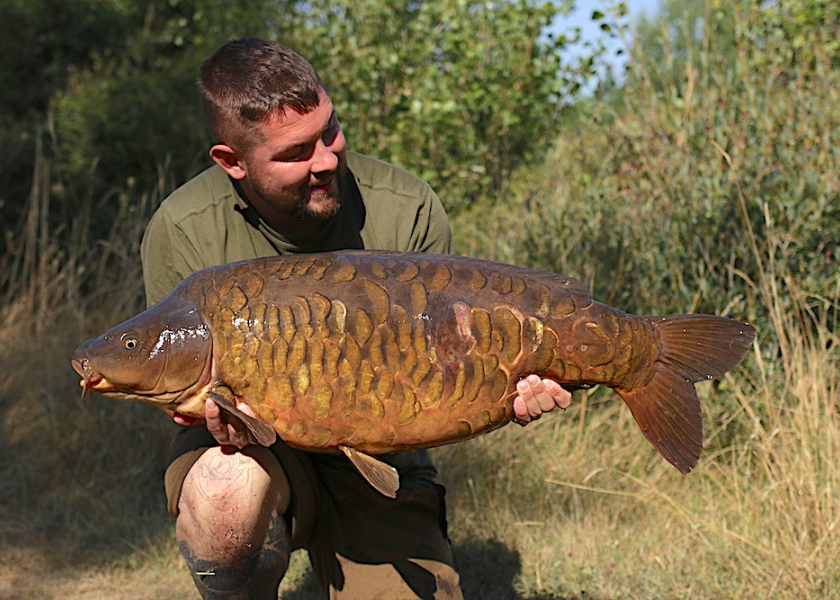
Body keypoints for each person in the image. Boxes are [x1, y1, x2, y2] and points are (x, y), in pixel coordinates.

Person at [140, 38, 571, 599]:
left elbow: (444, 377)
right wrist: (215, 419)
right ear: (232, 162)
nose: (326, 160)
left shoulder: (406, 206)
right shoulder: (183, 228)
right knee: (225, 492)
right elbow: (181, 380)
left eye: (330, 130)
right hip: (253, 453)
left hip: (381, 456)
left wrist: (503, 389)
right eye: (295, 153)